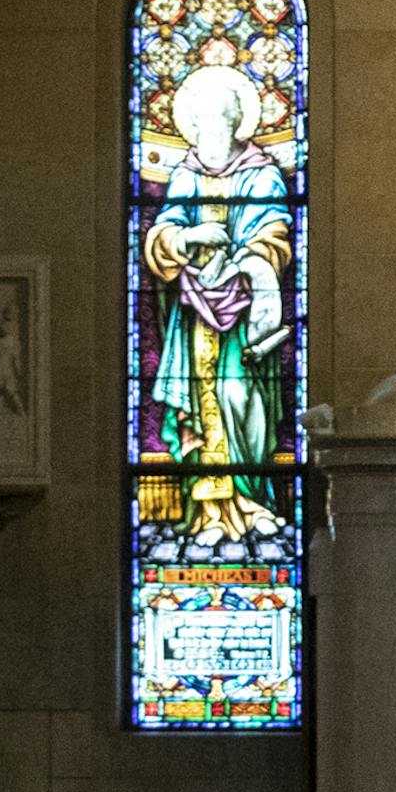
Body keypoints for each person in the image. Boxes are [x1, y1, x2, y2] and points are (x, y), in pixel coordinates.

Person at [142, 64, 293, 546]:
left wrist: (243, 258)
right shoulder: (186, 172)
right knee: (202, 401)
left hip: (246, 313)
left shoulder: (262, 173)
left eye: (218, 120)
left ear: (234, 124)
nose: (209, 130)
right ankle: (209, 513)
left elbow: (274, 232)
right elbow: (161, 233)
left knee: (240, 400)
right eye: (201, 120)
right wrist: (188, 236)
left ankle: (252, 502)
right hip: (194, 312)